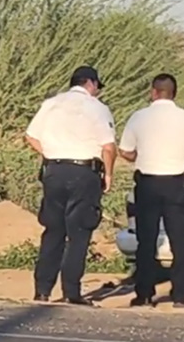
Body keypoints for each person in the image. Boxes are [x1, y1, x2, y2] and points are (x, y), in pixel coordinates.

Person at [25, 66, 117, 306]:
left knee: (53, 230)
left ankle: (42, 290)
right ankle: (71, 292)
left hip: (54, 170)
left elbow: (30, 136)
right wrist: (108, 174)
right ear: (91, 83)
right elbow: (108, 147)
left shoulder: (51, 103)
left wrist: (54, 153)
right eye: (97, 86)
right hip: (84, 172)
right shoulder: (98, 108)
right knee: (79, 232)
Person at [119, 73, 184, 308]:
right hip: (177, 184)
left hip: (148, 184)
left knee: (146, 241)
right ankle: (180, 295)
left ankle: (145, 294)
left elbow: (125, 150)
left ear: (153, 92)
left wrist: (140, 156)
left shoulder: (139, 117)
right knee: (180, 240)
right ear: (174, 94)